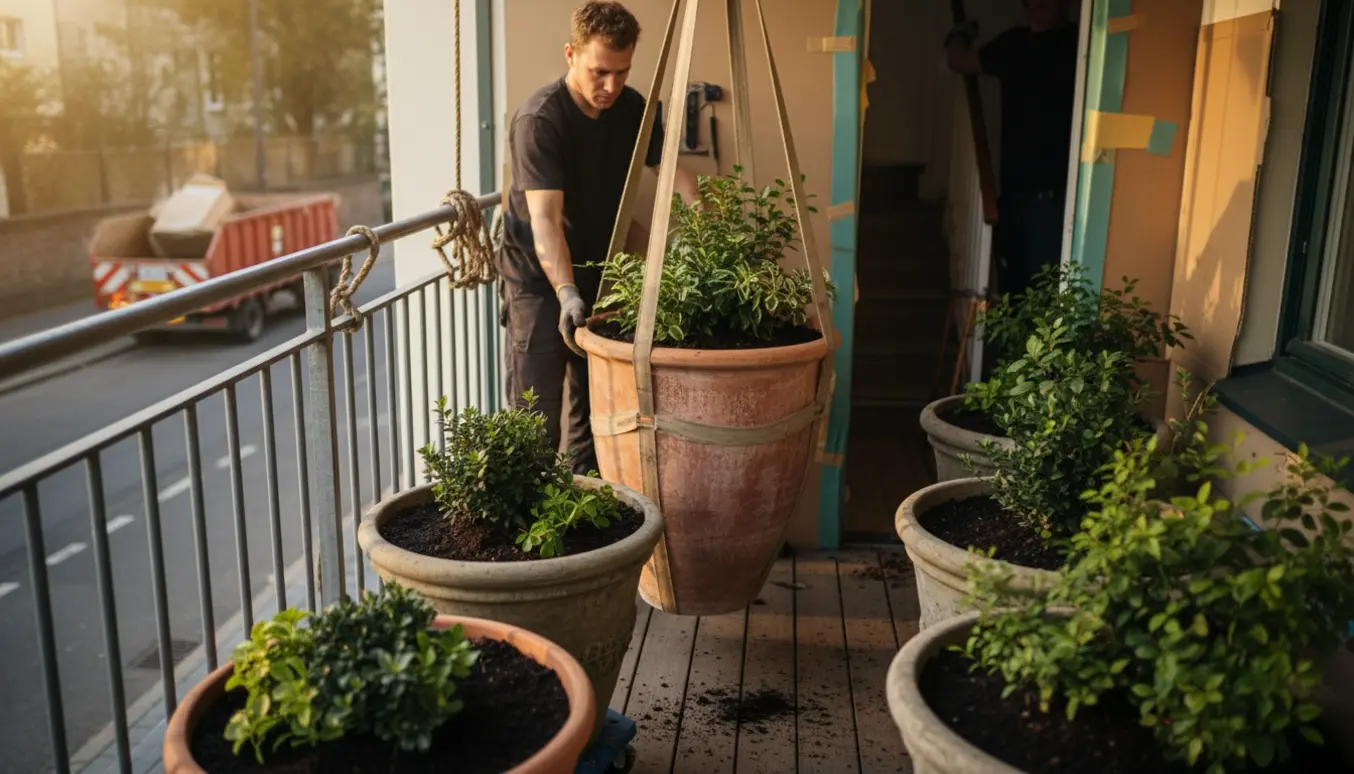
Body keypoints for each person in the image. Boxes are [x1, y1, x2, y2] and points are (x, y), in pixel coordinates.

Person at [497, 1, 700, 474]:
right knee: (536, 413)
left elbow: (670, 172)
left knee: (594, 410)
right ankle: (531, 528)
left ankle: (583, 522)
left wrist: (708, 217)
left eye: (622, 72)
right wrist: (566, 295)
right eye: (600, 72)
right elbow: (545, 220)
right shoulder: (540, 121)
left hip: (602, 272)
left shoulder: (633, 109)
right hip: (538, 280)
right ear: (571, 54)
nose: (611, 86)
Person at [944, 0, 1079, 298]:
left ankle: (1038, 345)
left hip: (1055, 192)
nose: (1038, 7)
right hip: (1016, 188)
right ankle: (1017, 345)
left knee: (1044, 287)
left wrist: (960, 35)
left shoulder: (1078, 45)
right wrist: (960, 34)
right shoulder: (1015, 44)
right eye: (1031, 1)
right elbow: (960, 60)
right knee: (1014, 284)